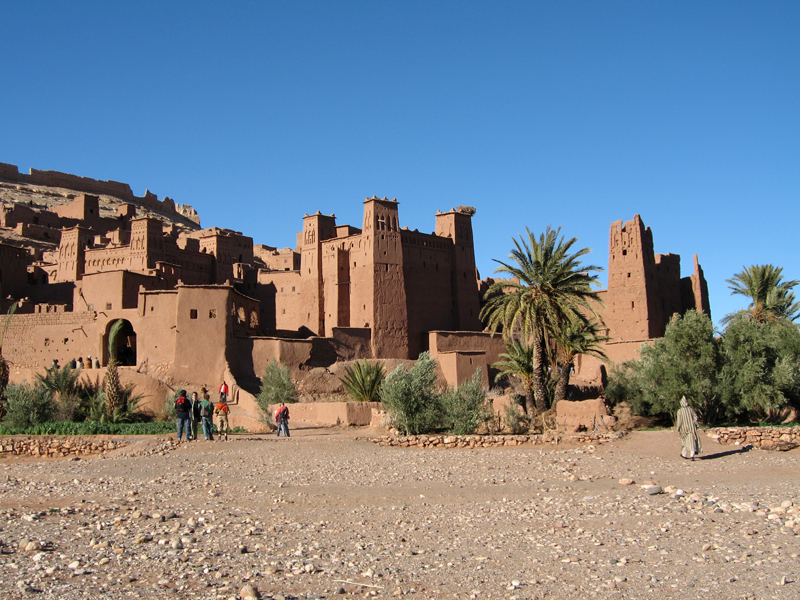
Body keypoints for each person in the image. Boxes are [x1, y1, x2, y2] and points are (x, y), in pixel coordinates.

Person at [676, 396, 702, 460]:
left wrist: (678, 428)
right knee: (692, 441)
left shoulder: (680, 411)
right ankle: (692, 455)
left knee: (684, 441)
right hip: (692, 428)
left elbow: (679, 421)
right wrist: (696, 424)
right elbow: (695, 417)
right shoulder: (691, 409)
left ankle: (684, 454)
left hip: (683, 429)